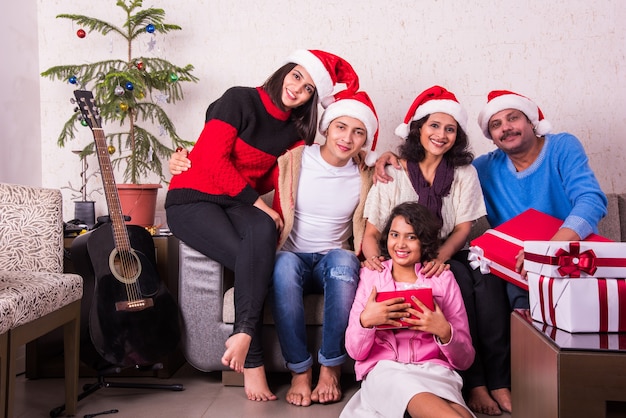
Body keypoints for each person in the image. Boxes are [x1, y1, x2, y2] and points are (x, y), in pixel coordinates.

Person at [165, 49, 360, 402]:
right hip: (193, 196)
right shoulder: (239, 99)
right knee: (252, 255)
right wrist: (258, 204)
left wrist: (376, 159)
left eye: (310, 89)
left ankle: (243, 336)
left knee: (264, 237)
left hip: (235, 201)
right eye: (298, 76)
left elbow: (288, 174)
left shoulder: (297, 132)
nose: (298, 89)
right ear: (285, 70)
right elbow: (209, 158)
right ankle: (252, 360)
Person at [368, 86, 512, 415]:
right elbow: (375, 226)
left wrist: (441, 257)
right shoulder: (393, 170)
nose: (441, 134)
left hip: (448, 248)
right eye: (434, 125)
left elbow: (463, 227)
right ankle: (474, 382)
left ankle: (499, 380)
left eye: (450, 129)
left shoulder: (464, 172)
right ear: (419, 128)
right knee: (457, 280)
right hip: (408, 254)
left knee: (487, 278)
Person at [268, 89, 378, 407]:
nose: (347, 138)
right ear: (326, 128)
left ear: (365, 140)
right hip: (292, 254)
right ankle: (300, 372)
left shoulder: (367, 173)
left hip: (334, 257)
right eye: (341, 127)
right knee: (283, 267)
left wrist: (389, 159)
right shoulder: (293, 159)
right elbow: (244, 176)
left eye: (358, 132)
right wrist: (185, 160)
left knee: (344, 261)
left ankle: (330, 367)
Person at [474, 89, 608, 311]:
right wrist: (397, 161)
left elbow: (591, 200)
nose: (505, 127)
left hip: (572, 259)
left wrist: (546, 251)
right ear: (492, 138)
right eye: (495, 124)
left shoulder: (561, 147)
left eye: (513, 117)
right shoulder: (483, 169)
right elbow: (437, 174)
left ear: (531, 121)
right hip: (521, 268)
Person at [341, 202, 475, 418]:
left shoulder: (442, 278)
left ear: (425, 241)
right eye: (395, 235)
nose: (400, 244)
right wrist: (366, 322)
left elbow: (465, 359)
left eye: (411, 237)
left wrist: (444, 332)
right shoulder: (372, 276)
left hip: (435, 371)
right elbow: (355, 352)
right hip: (386, 369)